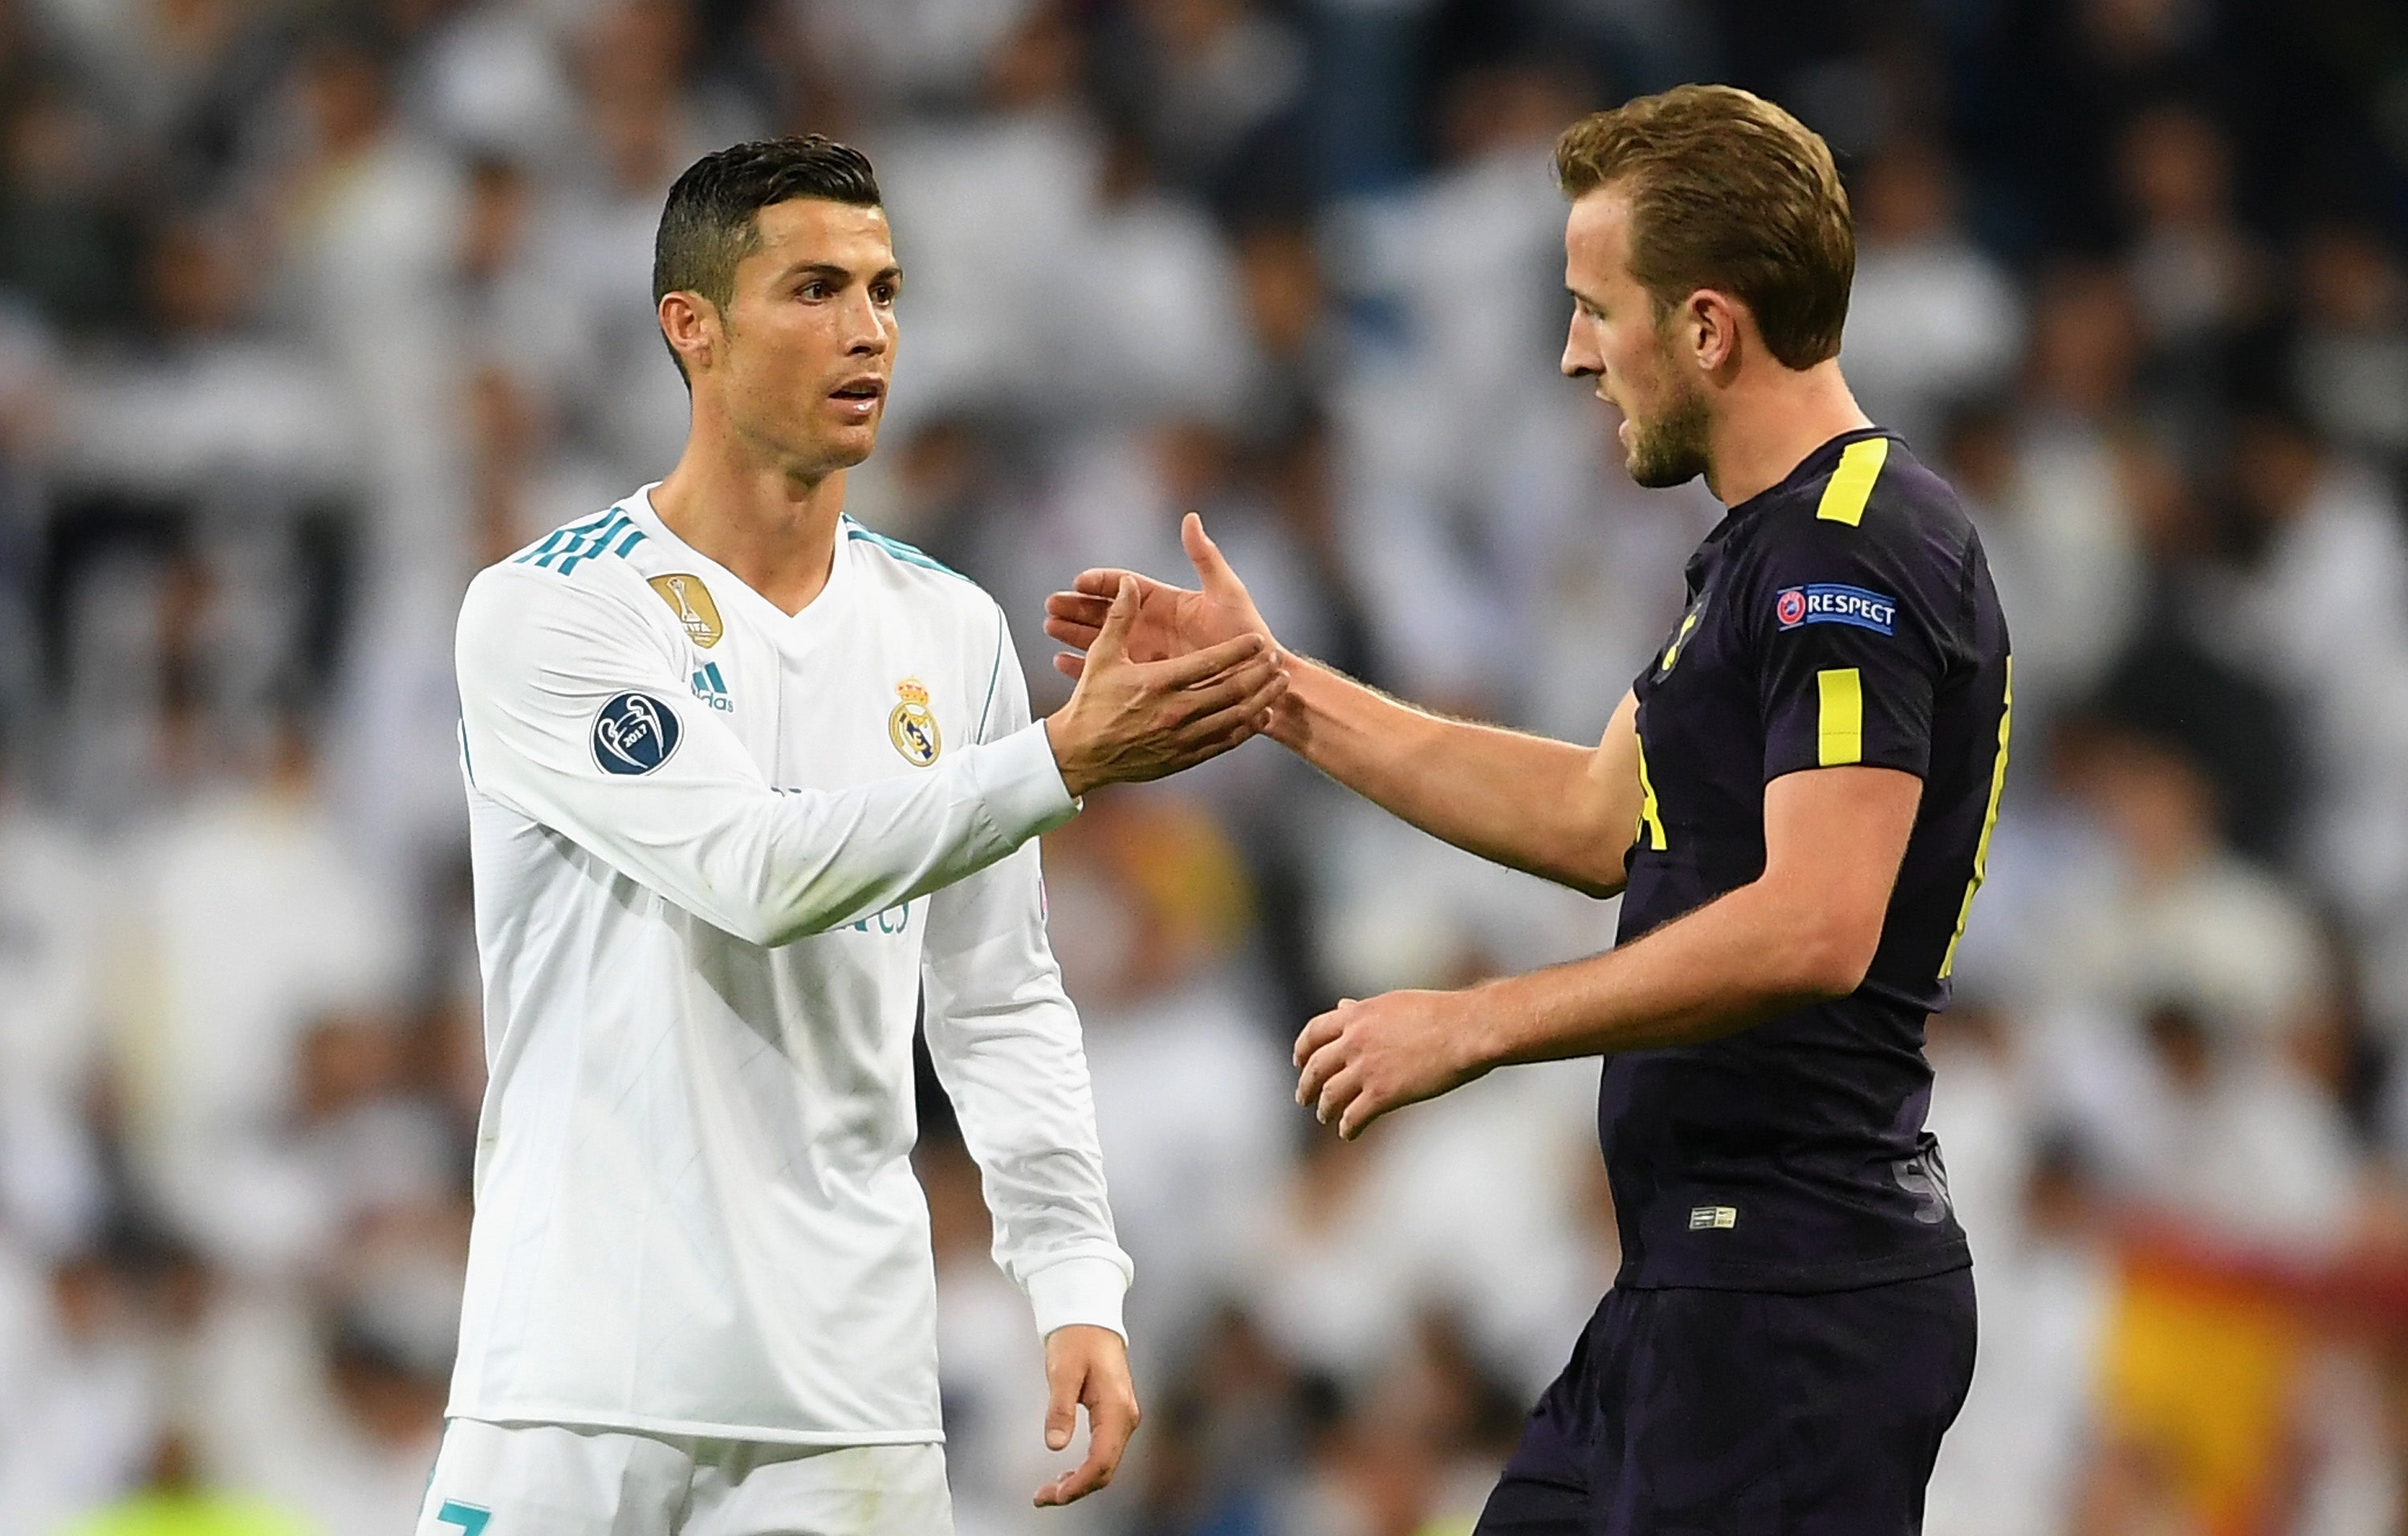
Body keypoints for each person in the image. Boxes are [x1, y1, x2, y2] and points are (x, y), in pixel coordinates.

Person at [1045, 85, 2009, 1534]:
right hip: (1697, 1286)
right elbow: (1586, 812)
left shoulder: (1847, 553)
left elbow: (1817, 923)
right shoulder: (1767, 549)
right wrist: (1273, 688)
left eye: (1593, 307)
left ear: (1705, 328)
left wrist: (1479, 1022)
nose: (1571, 353)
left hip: (1795, 1298)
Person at [425, 136, 1287, 1536]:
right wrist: (1062, 757)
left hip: (849, 1407)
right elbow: (753, 874)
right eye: (815, 290)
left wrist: (1074, 1277)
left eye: (886, 292)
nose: (868, 331)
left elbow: (999, 994)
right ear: (690, 330)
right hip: (577, 1384)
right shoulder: (550, 611)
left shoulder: (945, 631)